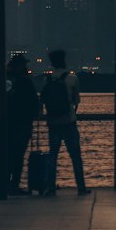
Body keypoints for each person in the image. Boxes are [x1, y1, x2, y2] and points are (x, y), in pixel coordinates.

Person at [41, 47, 90, 197]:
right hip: (69, 122)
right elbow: (76, 101)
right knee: (75, 156)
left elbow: (43, 100)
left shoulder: (47, 79)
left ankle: (51, 187)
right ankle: (81, 187)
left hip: (53, 123)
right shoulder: (72, 78)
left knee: (52, 156)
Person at [1, 54, 39, 194]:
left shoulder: (4, 80)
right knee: (18, 157)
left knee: (7, 156)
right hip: (22, 124)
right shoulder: (25, 82)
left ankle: (5, 184)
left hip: (6, 124)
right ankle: (14, 185)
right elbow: (34, 101)